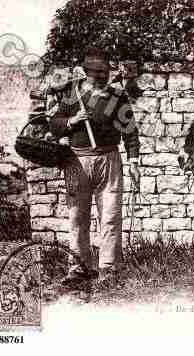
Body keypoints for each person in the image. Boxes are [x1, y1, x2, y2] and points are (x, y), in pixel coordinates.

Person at [50, 46, 140, 287]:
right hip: (77, 161)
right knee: (77, 217)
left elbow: (130, 131)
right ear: (86, 72)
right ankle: (79, 268)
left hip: (109, 160)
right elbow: (54, 124)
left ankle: (109, 268)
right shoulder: (72, 94)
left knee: (110, 216)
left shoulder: (116, 97)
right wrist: (72, 121)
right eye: (96, 73)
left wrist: (133, 161)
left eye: (104, 73)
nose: (101, 77)